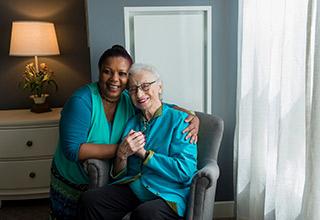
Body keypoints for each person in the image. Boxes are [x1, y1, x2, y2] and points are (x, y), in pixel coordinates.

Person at [49, 45, 199, 220]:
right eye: (134, 88)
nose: (139, 93)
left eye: (145, 86)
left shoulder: (179, 121)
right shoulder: (127, 117)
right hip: (126, 185)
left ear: (160, 87)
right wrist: (122, 154)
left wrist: (192, 115)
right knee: (90, 199)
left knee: (145, 213)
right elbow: (78, 152)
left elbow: (185, 171)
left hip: (168, 191)